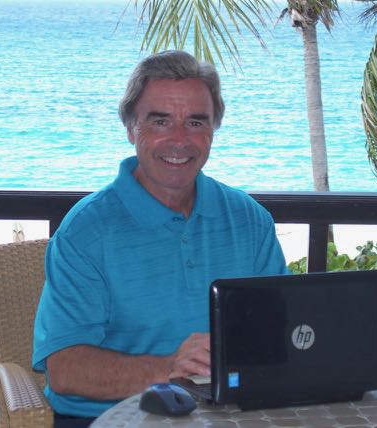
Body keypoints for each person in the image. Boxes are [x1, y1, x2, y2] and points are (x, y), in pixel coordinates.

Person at [32, 50, 289, 427]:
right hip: (111, 419)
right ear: (131, 128)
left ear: (213, 130)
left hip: (226, 416)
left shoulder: (248, 220)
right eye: (161, 121)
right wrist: (170, 367)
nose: (180, 140)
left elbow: (281, 331)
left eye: (196, 122)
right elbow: (65, 369)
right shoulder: (86, 232)